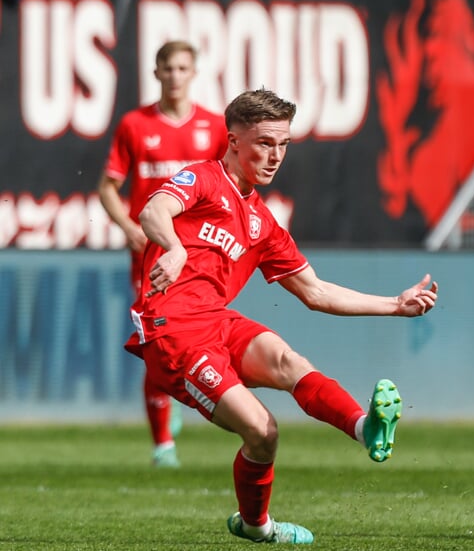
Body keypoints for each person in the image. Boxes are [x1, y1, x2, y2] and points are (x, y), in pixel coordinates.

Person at [124, 88, 439, 544]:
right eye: (265, 143)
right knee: (262, 431)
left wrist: (394, 304)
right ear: (234, 141)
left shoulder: (263, 223)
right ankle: (259, 527)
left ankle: (363, 428)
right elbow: (155, 210)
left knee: (289, 362)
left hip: (217, 320)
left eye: (284, 144)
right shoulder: (204, 179)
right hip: (172, 332)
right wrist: (173, 248)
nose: (275, 156)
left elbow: (316, 291)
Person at [98, 40, 229, 468]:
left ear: (194, 73)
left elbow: (229, 190)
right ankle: (162, 445)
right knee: (155, 344)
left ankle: (177, 399)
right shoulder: (135, 125)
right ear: (155, 74)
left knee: (205, 339)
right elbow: (107, 188)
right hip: (152, 253)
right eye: (167, 68)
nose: (175, 76)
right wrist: (130, 228)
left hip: (200, 254)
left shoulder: (213, 128)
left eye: (182, 68)